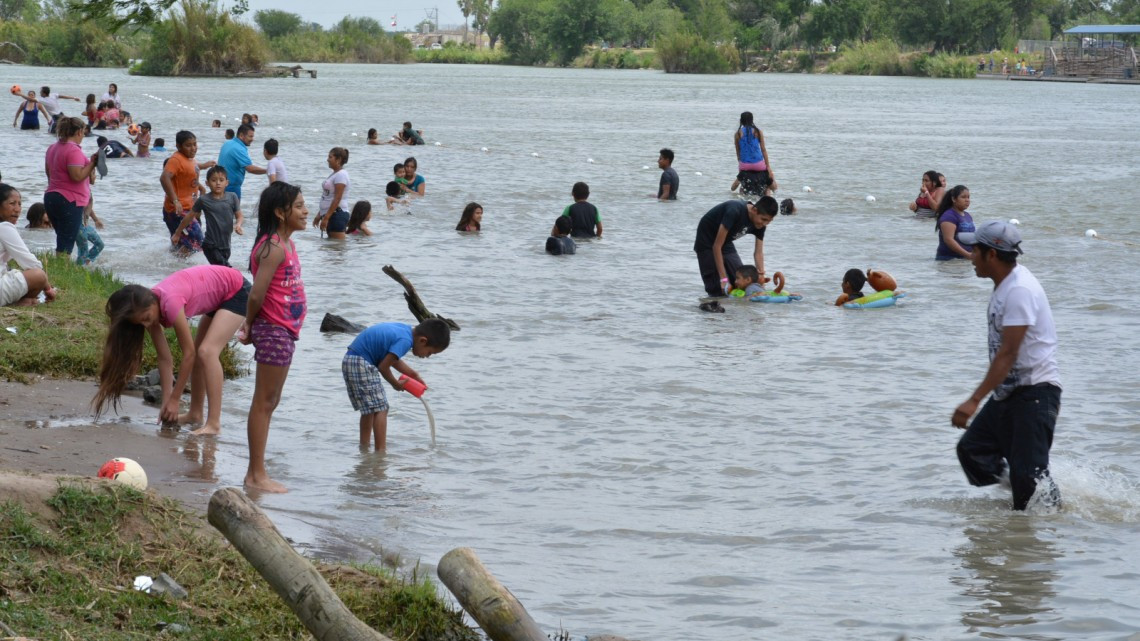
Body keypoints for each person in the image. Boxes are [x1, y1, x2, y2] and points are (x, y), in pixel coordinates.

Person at [953, 221, 1061, 511]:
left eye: (975, 249)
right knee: (972, 451)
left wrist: (974, 400)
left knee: (1030, 482)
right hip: (1010, 392)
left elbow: (1009, 353)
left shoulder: (1019, 291)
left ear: (992, 255)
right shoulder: (1005, 284)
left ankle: (1050, 519)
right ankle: (1028, 489)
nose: (970, 254)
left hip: (1035, 393)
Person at [93, 265, 251, 436]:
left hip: (237, 290)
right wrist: (166, 402)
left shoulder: (171, 302)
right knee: (201, 353)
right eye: (141, 323)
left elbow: (188, 354)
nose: (147, 325)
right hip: (219, 294)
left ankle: (214, 424)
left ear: (153, 303)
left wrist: (175, 399)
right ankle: (195, 414)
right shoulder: (147, 309)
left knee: (207, 352)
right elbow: (164, 358)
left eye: (146, 319)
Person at [239, 181, 309, 493]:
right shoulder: (273, 248)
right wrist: (250, 327)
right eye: (298, 206)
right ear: (280, 213)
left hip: (284, 331)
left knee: (271, 400)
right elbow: (256, 295)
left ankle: (258, 470)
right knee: (264, 401)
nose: (306, 211)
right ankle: (256, 474)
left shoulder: (287, 244)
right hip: (273, 329)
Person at [342, 319, 449, 450]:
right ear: (423, 341)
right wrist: (395, 384)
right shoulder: (405, 341)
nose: (427, 356)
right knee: (381, 408)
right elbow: (384, 366)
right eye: (429, 352)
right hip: (361, 363)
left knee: (369, 409)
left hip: (352, 360)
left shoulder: (404, 331)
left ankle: (364, 447)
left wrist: (413, 374)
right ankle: (381, 451)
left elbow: (391, 359)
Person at [694, 196, 779, 299]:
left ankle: (735, 312)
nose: (765, 224)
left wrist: (761, 275)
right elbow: (716, 246)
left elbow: (758, 252)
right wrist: (723, 279)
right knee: (718, 289)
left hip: (726, 242)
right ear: (754, 210)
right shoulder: (734, 210)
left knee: (743, 280)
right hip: (706, 241)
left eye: (768, 221)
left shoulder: (760, 225)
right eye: (763, 219)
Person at [45, 117, 99, 257]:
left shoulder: (52, 148)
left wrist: (91, 167)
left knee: (62, 238)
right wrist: (93, 164)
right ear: (79, 132)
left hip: (51, 197)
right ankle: (62, 272)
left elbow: (49, 174)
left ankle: (61, 269)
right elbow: (76, 176)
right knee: (66, 244)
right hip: (69, 200)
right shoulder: (74, 150)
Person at [0, 183, 57, 307]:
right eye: (12, 203)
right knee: (39, 275)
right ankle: (18, 302)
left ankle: (18, 301)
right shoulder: (4, 227)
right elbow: (31, 263)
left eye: (19, 204)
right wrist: (48, 288)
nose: (17, 209)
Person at [173, 166, 242, 266]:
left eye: (221, 180)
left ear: (227, 182)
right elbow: (189, 217)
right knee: (226, 268)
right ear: (207, 183)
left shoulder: (232, 197)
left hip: (226, 246)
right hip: (210, 245)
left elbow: (239, 215)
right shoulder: (204, 200)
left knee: (219, 272)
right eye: (214, 180)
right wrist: (178, 233)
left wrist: (238, 225)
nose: (218, 183)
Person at [160, 130, 202, 242]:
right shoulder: (176, 160)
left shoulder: (190, 158)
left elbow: (189, 176)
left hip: (189, 207)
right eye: (188, 145)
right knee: (197, 239)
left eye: (194, 144)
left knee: (181, 243)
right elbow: (164, 178)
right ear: (178, 146)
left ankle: (169, 259)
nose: (193, 148)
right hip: (177, 210)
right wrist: (175, 201)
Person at [216, 123, 266, 204]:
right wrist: (268, 170)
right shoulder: (239, 149)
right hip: (231, 187)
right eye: (250, 136)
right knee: (233, 214)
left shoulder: (227, 143)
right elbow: (250, 168)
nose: (252, 139)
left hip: (219, 185)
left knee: (222, 214)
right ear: (241, 135)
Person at [734, 111, 778, 196]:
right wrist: (768, 167)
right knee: (772, 181)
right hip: (759, 165)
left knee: (743, 184)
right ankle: (768, 188)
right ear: (752, 120)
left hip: (744, 166)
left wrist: (741, 165)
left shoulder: (737, 134)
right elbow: (763, 150)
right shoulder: (758, 132)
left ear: (741, 121)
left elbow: (738, 152)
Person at [316, 147, 350, 239]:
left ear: (338, 159)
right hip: (331, 214)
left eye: (330, 157)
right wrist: (319, 215)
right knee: (331, 248)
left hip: (337, 215)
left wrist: (326, 218)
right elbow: (328, 197)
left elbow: (337, 198)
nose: (327, 159)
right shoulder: (335, 174)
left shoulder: (341, 175)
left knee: (337, 248)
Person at [935, 184, 975, 260]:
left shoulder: (968, 216)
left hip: (963, 260)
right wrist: (968, 255)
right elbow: (948, 240)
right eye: (963, 197)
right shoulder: (949, 216)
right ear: (954, 199)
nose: (967, 200)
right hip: (949, 261)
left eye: (968, 197)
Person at [74, 200, 105, 266]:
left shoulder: (87, 192)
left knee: (100, 244)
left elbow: (88, 207)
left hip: (85, 225)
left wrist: (96, 220)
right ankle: (79, 268)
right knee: (83, 251)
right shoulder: (76, 192)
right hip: (77, 226)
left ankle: (85, 263)